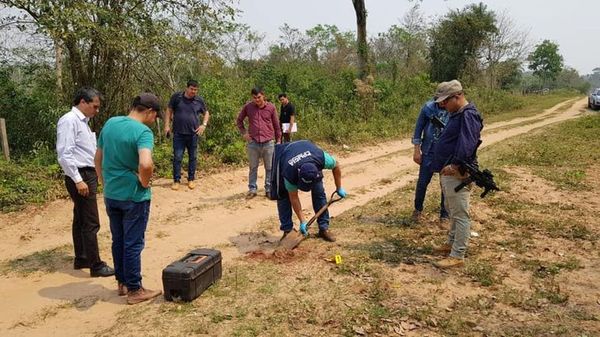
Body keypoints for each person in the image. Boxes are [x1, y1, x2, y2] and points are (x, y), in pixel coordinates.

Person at [95, 93, 162, 304]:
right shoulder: (143, 132)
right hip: (133, 197)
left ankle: (122, 283)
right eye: (155, 116)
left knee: (119, 240)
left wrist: (103, 182)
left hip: (111, 194)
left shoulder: (110, 123)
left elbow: (98, 157)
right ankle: (135, 289)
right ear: (150, 112)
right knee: (133, 243)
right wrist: (143, 182)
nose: (154, 120)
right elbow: (145, 164)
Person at [56, 87, 115, 278]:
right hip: (80, 175)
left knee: (80, 218)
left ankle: (82, 257)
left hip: (86, 173)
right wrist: (78, 180)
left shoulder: (83, 122)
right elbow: (65, 154)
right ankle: (96, 265)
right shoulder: (69, 121)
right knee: (91, 221)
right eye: (94, 106)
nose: (96, 111)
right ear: (83, 102)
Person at [431, 80, 483, 269]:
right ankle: (451, 243)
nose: (443, 105)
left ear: (458, 96)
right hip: (449, 170)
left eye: (445, 101)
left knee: (460, 213)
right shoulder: (457, 114)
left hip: (458, 172)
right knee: (452, 209)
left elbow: (467, 144)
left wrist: (455, 165)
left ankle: (457, 254)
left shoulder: (469, 115)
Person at [276, 140, 346, 242]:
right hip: (284, 154)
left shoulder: (321, 158)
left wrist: (339, 187)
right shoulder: (289, 171)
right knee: (282, 195)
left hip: (308, 151)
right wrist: (303, 221)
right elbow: (294, 198)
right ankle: (287, 231)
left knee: (319, 193)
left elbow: (336, 166)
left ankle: (323, 228)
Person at [164, 80, 210, 191]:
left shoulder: (199, 100)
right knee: (177, 157)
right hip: (179, 133)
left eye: (195, 90)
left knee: (193, 157)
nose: (193, 91)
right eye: (191, 89)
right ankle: (176, 180)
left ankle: (191, 179)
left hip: (193, 134)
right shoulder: (177, 97)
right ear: (187, 88)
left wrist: (203, 124)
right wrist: (166, 126)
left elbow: (206, 113)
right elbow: (169, 110)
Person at [236, 87, 282, 198]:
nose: (257, 100)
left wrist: (279, 140)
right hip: (253, 142)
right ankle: (252, 189)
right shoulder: (248, 107)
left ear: (263, 96)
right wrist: (244, 133)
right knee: (253, 167)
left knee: (270, 167)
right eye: (254, 98)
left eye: (259, 97)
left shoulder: (271, 107)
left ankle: (269, 188)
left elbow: (276, 125)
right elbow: (239, 120)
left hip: (268, 142)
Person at [411, 99, 449, 226]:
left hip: (446, 153)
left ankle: (445, 215)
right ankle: (417, 210)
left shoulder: (454, 109)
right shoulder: (428, 108)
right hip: (428, 151)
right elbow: (418, 129)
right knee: (422, 183)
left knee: (445, 185)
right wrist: (417, 151)